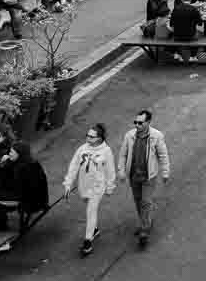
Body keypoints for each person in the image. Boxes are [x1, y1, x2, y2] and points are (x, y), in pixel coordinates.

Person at [117, 110, 170, 249]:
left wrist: (165, 172)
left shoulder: (156, 136)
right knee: (138, 201)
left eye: (140, 123)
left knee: (145, 201)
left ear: (148, 122)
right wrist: (121, 171)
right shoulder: (129, 136)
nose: (137, 125)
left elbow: (163, 155)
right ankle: (145, 222)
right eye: (135, 122)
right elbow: (123, 155)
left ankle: (144, 231)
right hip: (134, 176)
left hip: (148, 177)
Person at [63, 124, 117, 257]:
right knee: (89, 208)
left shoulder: (106, 151)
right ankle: (94, 229)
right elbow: (74, 166)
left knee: (91, 211)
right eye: (87, 135)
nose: (88, 138)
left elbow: (110, 170)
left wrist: (110, 186)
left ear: (100, 138)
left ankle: (87, 242)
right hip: (84, 185)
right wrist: (68, 183)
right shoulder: (82, 148)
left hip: (97, 187)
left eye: (92, 137)